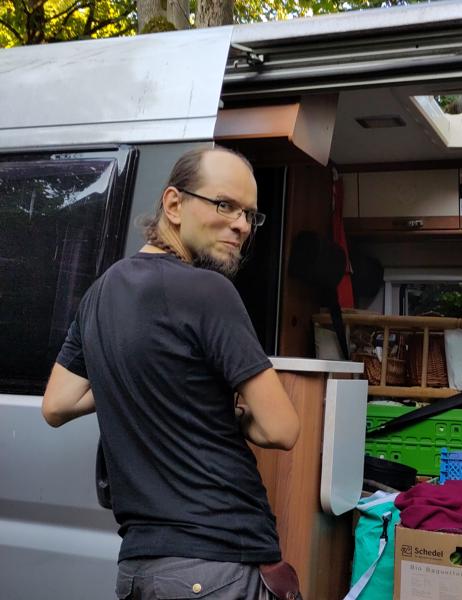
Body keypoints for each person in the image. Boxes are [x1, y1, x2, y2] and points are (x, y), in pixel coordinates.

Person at [41, 146, 301, 600]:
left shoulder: (100, 293)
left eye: (249, 214)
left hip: (140, 570)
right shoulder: (209, 291)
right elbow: (282, 429)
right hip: (219, 560)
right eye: (225, 204)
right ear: (174, 204)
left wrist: (136, 379)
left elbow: (57, 404)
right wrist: (237, 416)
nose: (242, 225)